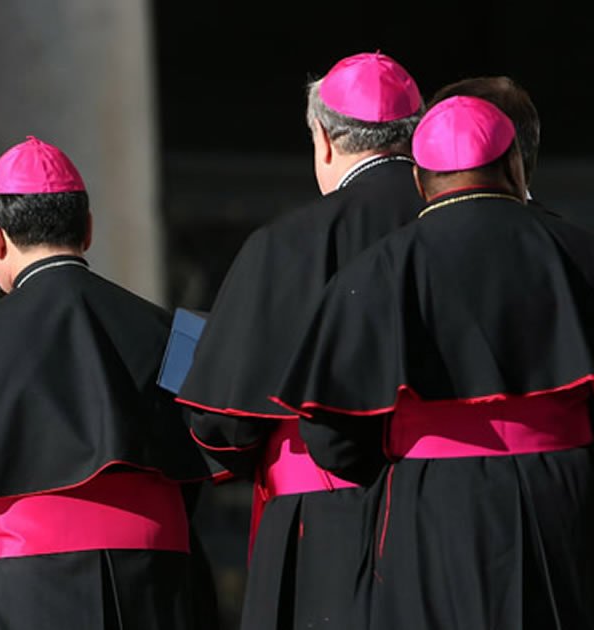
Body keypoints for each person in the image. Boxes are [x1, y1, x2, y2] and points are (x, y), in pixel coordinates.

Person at [270, 95, 594, 628]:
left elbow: (332, 438)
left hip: (431, 508)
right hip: (567, 497)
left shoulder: (373, 273)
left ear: (422, 183)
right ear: (515, 168)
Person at [0, 136, 217, 629]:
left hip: (13, 588)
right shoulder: (173, 330)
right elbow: (196, 461)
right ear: (87, 229)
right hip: (154, 575)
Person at [172, 51, 425, 629]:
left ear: (326, 141)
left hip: (320, 523)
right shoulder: (457, 229)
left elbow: (222, 425)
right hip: (451, 508)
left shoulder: (285, 245)